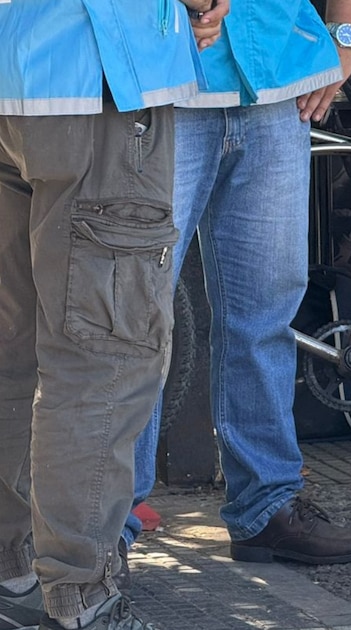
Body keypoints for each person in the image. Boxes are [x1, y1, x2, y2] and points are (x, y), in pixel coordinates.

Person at [121, 0, 351, 570]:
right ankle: (104, 525)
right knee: (132, 317)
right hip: (156, 86)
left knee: (266, 314)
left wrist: (346, 38)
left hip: (277, 80)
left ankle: (267, 507)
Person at [0, 2, 225, 628]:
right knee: (103, 355)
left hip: (18, 73)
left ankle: (11, 572)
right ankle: (83, 599)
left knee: (13, 344)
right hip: (98, 71)